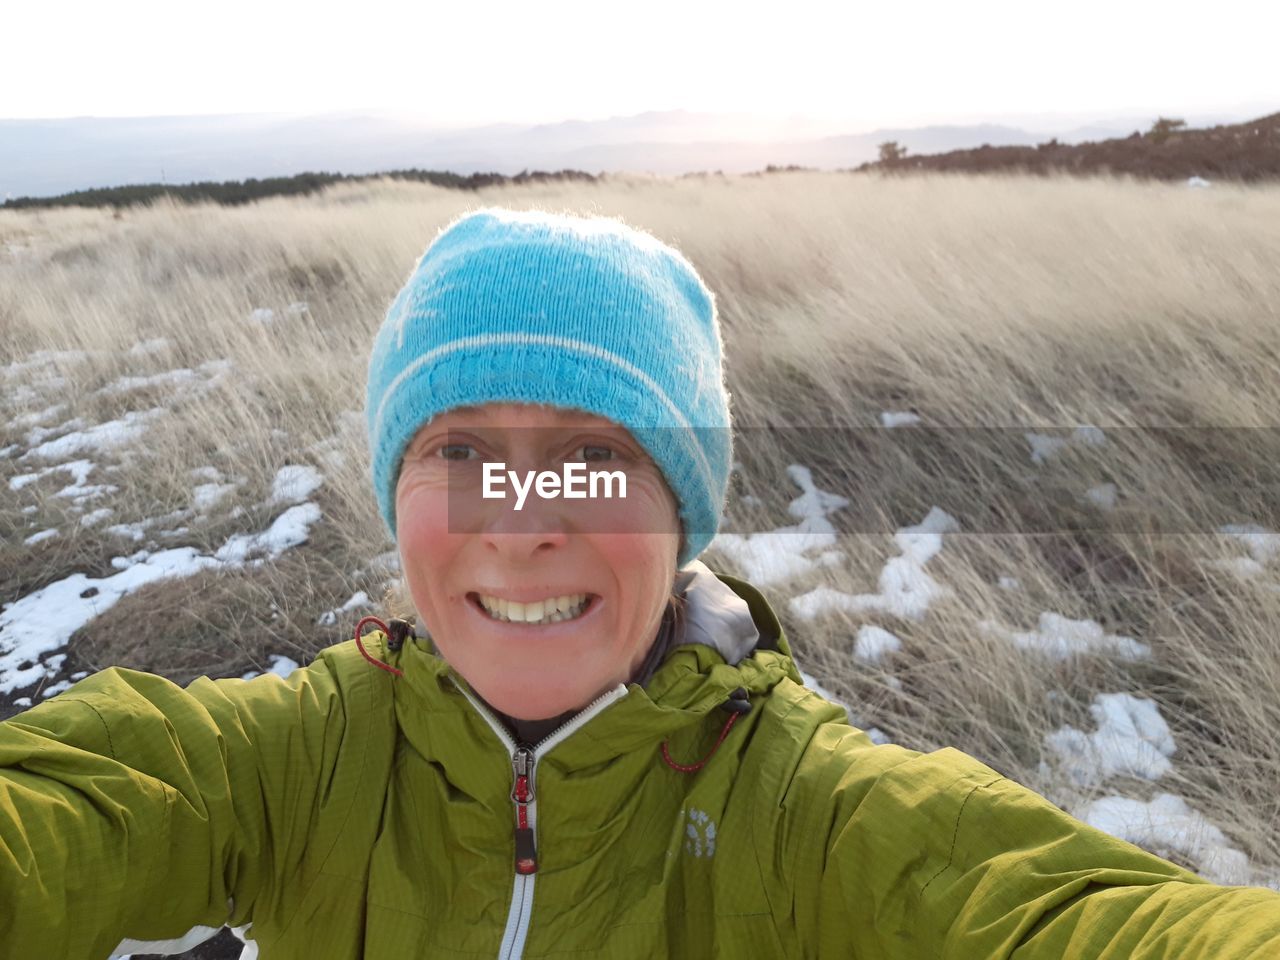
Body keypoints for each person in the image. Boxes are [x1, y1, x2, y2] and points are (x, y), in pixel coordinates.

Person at [2, 207, 1280, 960]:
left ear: (685, 512)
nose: (519, 523)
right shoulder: (298, 764)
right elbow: (81, 800)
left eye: (595, 457)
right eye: (459, 453)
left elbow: (1068, 917)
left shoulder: (800, 813)